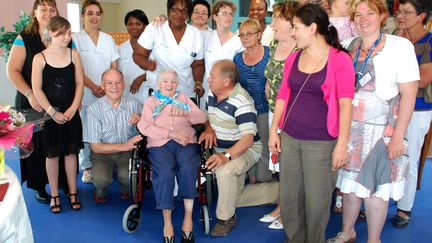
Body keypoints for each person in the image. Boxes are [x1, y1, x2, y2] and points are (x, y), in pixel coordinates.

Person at [327, 0, 419, 242]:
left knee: (376, 190)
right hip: (351, 129)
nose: (363, 19)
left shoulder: (400, 46)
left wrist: (398, 135)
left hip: (383, 130)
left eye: (370, 13)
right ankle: (347, 232)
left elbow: (409, 94)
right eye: (358, 14)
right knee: (348, 186)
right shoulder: (348, 45)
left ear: (382, 16)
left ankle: (373, 239)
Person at [268, 4, 355, 243]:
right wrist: (274, 131)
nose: (293, 32)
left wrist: (342, 144)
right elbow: (283, 95)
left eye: (296, 27)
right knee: (290, 197)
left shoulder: (340, 60)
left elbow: (346, 104)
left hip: (322, 143)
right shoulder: (294, 57)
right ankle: (295, 239)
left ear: (313, 28)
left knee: (317, 201)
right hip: (290, 138)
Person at [199, 59, 279, 238]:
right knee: (234, 198)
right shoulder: (212, 94)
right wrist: (208, 127)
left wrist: (225, 156)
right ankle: (280, 192)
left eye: (212, 76)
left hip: (246, 149)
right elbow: (206, 117)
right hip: (223, 149)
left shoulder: (242, 100)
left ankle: (226, 218)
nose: (208, 79)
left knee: (224, 172)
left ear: (226, 81)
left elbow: (248, 140)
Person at [6, 0, 72, 203]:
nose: (48, 12)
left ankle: (62, 181)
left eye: (52, 9)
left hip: (60, 101)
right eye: (43, 9)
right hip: (31, 102)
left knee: (59, 143)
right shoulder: (24, 38)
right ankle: (39, 186)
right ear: (35, 12)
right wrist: (29, 94)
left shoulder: (65, 36)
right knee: (36, 146)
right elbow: (12, 71)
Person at [138, 69, 206, 243]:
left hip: (186, 142)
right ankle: (167, 222)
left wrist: (185, 112)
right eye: (165, 81)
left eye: (173, 82)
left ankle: (188, 219)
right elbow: (144, 126)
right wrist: (170, 134)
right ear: (158, 84)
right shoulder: (151, 102)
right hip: (160, 144)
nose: (169, 85)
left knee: (189, 167)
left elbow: (202, 117)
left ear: (178, 84)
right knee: (165, 172)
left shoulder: (183, 99)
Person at [31, 16, 84, 213]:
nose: (67, 37)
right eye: (63, 33)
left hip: (71, 114)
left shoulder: (74, 55)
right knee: (51, 155)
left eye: (69, 32)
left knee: (71, 154)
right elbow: (37, 89)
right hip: (50, 116)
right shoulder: (40, 58)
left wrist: (73, 107)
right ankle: (54, 193)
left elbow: (79, 83)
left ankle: (72, 191)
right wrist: (52, 112)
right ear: (52, 33)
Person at [260, 0, 300, 231]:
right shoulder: (275, 42)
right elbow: (271, 72)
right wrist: (267, 84)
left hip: (292, 114)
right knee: (279, 163)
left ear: (290, 22)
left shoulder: (300, 48)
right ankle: (281, 205)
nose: (272, 23)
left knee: (290, 165)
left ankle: (289, 211)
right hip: (274, 110)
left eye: (276, 19)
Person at [393, 0, 432, 229]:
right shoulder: (396, 40)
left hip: (418, 109)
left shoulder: (429, 43)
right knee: (386, 156)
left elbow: (424, 78)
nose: (401, 16)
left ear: (421, 16)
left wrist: (396, 78)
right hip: (392, 107)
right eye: (399, 12)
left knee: (409, 159)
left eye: (407, 12)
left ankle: (404, 207)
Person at [72, 0, 119, 184]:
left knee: (106, 129)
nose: (94, 17)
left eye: (98, 13)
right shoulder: (75, 39)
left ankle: (108, 164)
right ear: (83, 16)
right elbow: (76, 68)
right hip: (83, 92)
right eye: (90, 13)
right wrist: (93, 86)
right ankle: (87, 167)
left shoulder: (108, 39)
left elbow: (114, 65)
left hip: (107, 93)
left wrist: (106, 87)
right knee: (85, 130)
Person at [85, 69, 142, 203]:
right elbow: (96, 147)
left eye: (118, 82)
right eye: (109, 83)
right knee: (101, 180)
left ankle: (125, 188)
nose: (114, 87)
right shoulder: (93, 109)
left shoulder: (135, 104)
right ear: (102, 86)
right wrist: (124, 146)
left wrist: (141, 118)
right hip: (102, 153)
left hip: (128, 153)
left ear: (123, 84)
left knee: (128, 177)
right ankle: (100, 190)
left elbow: (151, 123)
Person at [133, 0, 205, 99]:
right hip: (158, 92)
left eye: (184, 11)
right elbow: (137, 55)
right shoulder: (155, 28)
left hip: (185, 93)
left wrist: (198, 82)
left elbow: (198, 64)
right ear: (168, 11)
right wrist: (147, 64)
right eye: (175, 10)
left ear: (188, 14)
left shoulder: (196, 34)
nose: (179, 14)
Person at [234, 19, 271, 184]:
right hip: (245, 111)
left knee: (265, 146)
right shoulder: (237, 59)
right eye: (242, 34)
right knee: (248, 144)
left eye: (249, 33)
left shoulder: (270, 53)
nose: (245, 37)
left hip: (265, 109)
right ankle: (252, 178)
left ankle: (264, 178)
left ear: (259, 35)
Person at [202, 0, 243, 107]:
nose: (228, 17)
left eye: (230, 14)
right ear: (215, 17)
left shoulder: (238, 41)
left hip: (228, 93)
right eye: (224, 13)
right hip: (207, 90)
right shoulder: (206, 36)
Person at [118, 9, 150, 104]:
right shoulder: (120, 49)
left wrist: (141, 78)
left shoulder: (152, 48)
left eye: (138, 23)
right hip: (126, 96)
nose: (134, 27)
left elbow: (159, 71)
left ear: (145, 26)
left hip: (146, 96)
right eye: (130, 24)